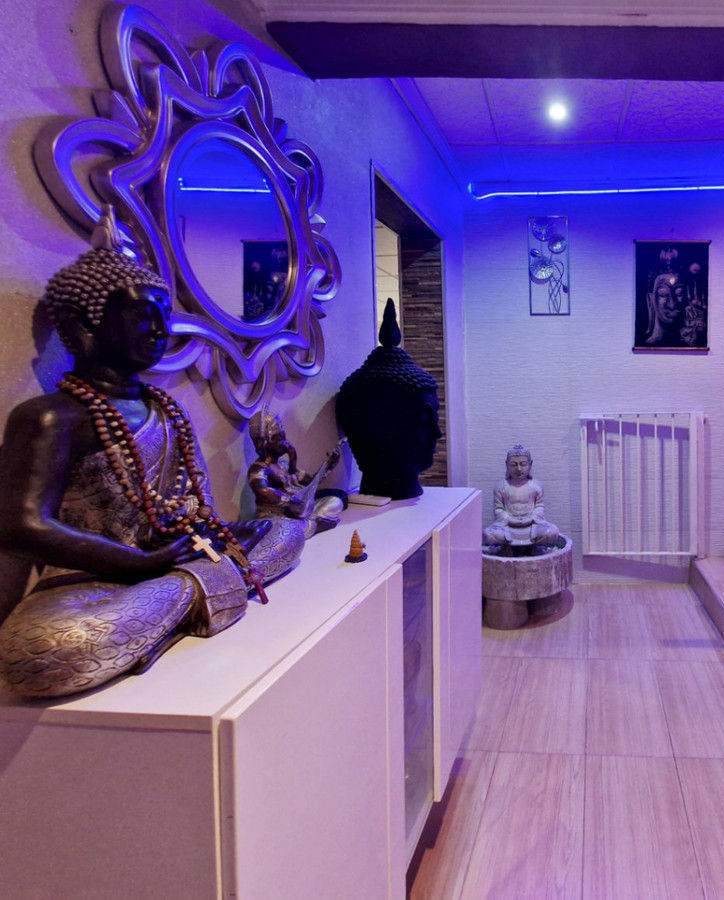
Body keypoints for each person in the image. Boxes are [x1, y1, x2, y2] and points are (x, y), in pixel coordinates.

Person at [0, 213, 304, 698]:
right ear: (83, 325)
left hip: (171, 562)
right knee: (38, 654)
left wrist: (214, 533)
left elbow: (194, 505)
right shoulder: (51, 416)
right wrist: (138, 563)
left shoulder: (167, 411)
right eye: (144, 314)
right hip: (93, 584)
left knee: (286, 533)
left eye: (165, 313)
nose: (163, 328)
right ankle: (194, 592)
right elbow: (19, 526)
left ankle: (185, 591)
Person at [336, 298, 442, 500]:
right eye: (424, 420)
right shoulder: (358, 389)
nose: (437, 433)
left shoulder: (357, 386)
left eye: (434, 416)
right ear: (380, 426)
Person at [248, 410, 345, 538]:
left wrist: (328, 466)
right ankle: (312, 524)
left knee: (335, 502)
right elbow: (262, 490)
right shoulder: (259, 469)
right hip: (275, 516)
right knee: (283, 530)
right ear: (266, 443)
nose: (285, 442)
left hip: (297, 512)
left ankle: (309, 524)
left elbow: (311, 483)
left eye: (284, 436)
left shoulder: (284, 465)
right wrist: (290, 501)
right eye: (280, 438)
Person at [483, 445, 560, 549]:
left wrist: (531, 518)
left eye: (523, 464)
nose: (519, 469)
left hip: (532, 526)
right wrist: (509, 519)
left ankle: (533, 548)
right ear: (506, 464)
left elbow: (540, 506)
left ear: (530, 464)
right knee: (488, 535)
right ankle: (507, 549)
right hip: (508, 527)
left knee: (551, 532)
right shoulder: (501, 487)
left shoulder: (536, 486)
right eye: (513, 465)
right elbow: (499, 509)